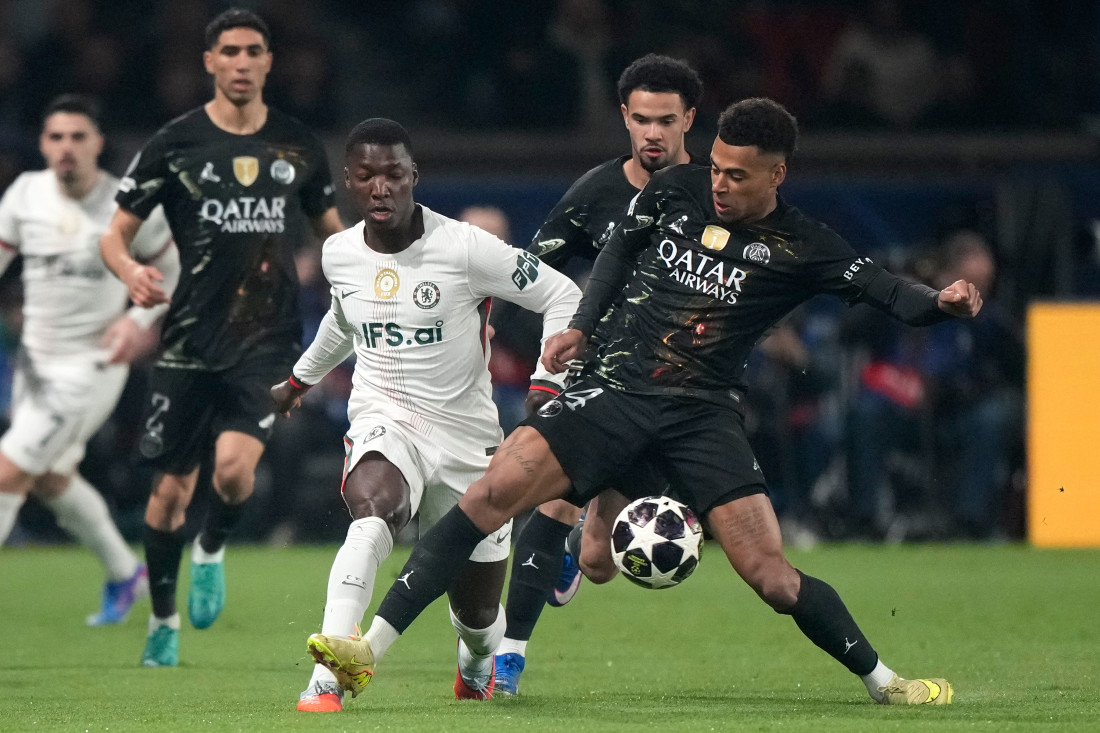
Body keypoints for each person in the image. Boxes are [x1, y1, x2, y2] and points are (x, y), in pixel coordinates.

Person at [309, 97, 983, 706]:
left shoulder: (806, 245)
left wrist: (942, 303)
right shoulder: (673, 191)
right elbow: (614, 257)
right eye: (715, 167)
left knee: (770, 575)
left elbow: (889, 292)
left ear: (777, 175)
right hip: (616, 391)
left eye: (737, 175)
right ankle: (369, 650)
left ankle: (885, 682)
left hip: (702, 416)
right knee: (491, 493)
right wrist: (579, 327)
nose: (718, 183)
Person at [271, 118, 580, 712]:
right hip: (386, 419)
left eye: (393, 174)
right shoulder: (339, 253)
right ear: (348, 181)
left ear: (413, 175)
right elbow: (344, 320)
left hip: (468, 442)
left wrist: (549, 378)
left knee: (477, 616)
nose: (380, 187)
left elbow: (562, 293)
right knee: (372, 512)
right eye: (366, 175)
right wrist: (297, 380)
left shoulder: (465, 247)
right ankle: (327, 676)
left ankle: (476, 661)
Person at [99, 8, 343, 667]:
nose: (241, 62)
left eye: (253, 51)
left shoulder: (296, 144)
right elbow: (114, 234)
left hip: (267, 341)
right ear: (209, 61)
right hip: (187, 343)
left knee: (235, 475)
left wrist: (369, 281)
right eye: (229, 51)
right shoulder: (175, 142)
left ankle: (212, 546)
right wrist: (129, 271)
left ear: (268, 62)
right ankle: (162, 619)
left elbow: (333, 234)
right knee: (168, 495)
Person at [488, 53, 704, 696]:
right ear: (625, 117)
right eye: (642, 120)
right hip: (598, 374)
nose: (653, 134)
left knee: (599, 562)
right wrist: (500, 327)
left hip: (673, 385)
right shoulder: (597, 192)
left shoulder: (715, 192)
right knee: (551, 501)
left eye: (666, 120)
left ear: (689, 120)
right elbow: (534, 269)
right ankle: (508, 661)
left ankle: (583, 542)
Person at [0, 94, 176, 625]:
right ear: (42, 144)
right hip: (34, 364)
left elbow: (174, 270)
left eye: (78, 137)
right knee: (50, 478)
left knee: (8, 472)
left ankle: (125, 575)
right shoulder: (25, 194)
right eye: (56, 137)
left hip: (92, 364)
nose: (67, 147)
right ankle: (125, 573)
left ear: (98, 143)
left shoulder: (128, 206)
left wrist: (137, 321)